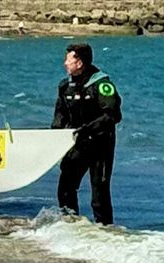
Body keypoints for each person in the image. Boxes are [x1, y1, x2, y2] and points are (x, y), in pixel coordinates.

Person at [52, 41, 122, 226]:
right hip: (78, 144)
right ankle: (70, 225)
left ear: (80, 63)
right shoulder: (65, 86)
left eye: (68, 60)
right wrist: (54, 140)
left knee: (99, 195)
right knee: (65, 188)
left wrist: (88, 129)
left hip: (100, 145)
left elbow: (113, 115)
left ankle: (106, 231)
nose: (65, 63)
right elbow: (60, 116)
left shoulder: (102, 84)